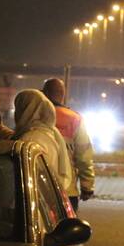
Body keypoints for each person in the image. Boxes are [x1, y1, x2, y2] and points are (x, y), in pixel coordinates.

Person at [41, 78, 95, 209]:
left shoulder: (36, 116)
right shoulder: (75, 119)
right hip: (67, 189)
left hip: (40, 188)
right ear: (63, 95)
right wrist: (87, 186)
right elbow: (84, 157)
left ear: (44, 93)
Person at [12, 89, 74, 196]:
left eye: (19, 108)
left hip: (36, 196)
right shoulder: (50, 132)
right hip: (50, 196)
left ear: (26, 111)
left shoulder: (30, 140)